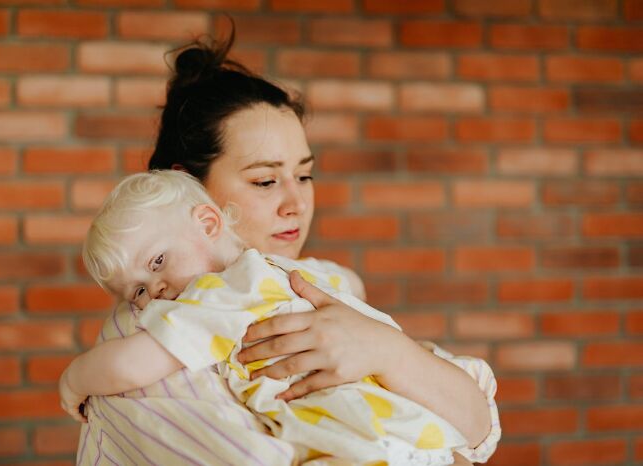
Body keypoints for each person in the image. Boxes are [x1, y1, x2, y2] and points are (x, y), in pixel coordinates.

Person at [68, 31, 500, 465]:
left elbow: (478, 428)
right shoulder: (154, 327)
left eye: (305, 176)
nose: (297, 204)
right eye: (265, 181)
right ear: (194, 196)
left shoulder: (310, 284)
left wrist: (387, 350)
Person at [61, 169, 468, 465]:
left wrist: (73, 379)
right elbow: (348, 281)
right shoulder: (266, 273)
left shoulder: (213, 294)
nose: (156, 291)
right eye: (138, 291)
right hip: (405, 430)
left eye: (157, 261)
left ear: (207, 223)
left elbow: (130, 365)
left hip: (352, 436)